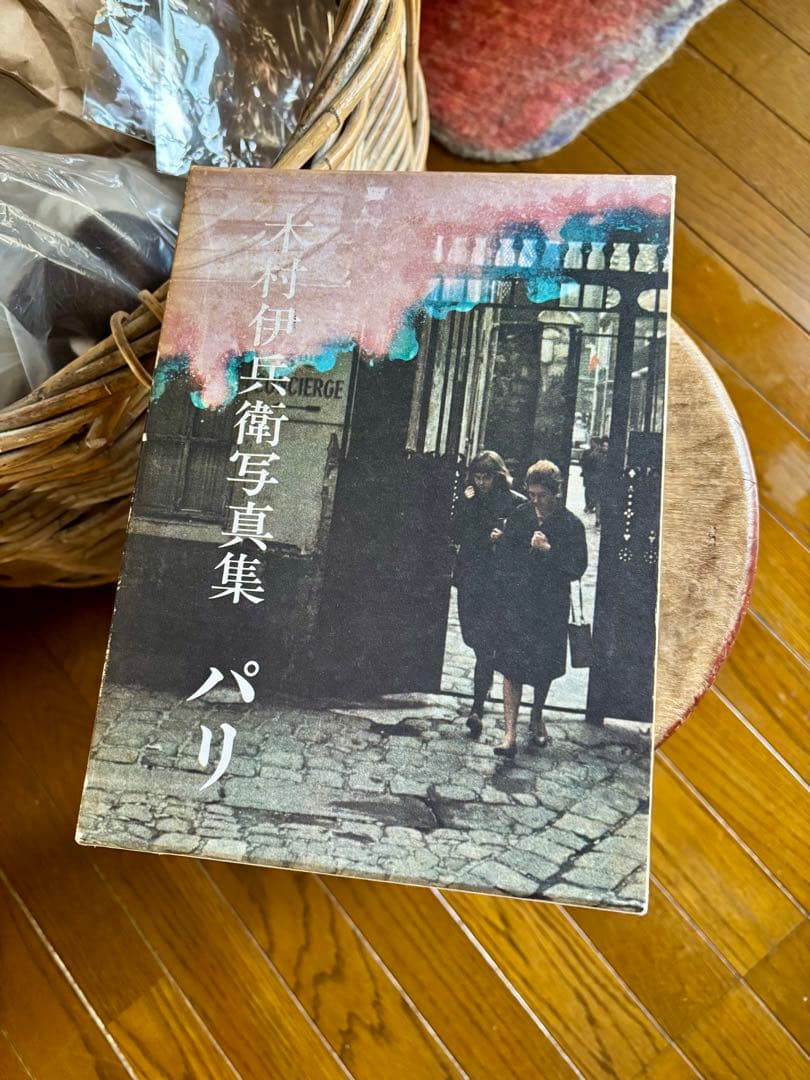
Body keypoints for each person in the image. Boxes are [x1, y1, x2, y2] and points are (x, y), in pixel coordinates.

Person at [491, 460, 588, 757]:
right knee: (511, 666)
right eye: (531, 494)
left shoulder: (571, 525)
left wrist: (549, 551)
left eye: (542, 495)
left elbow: (577, 568)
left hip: (549, 607)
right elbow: (504, 556)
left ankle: (536, 716)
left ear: (556, 493)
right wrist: (506, 546)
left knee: (543, 667)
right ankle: (509, 734)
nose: (536, 501)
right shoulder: (520, 516)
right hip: (518, 603)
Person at [452, 451, 525, 737]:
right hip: (470, 578)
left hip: (496, 582)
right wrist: (466, 504)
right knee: (472, 637)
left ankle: (477, 707)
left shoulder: (514, 503)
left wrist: (503, 538)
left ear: (498, 477)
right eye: (477, 477)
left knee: (484, 646)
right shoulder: (469, 499)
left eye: (487, 477)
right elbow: (456, 532)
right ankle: (484, 685)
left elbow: (520, 542)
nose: (481, 482)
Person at [580, 436, 608, 523]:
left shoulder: (609, 457)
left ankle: (599, 517)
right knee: (597, 499)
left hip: (604, 481)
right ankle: (597, 518)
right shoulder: (595, 454)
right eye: (604, 446)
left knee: (601, 500)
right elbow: (587, 463)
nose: (605, 448)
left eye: (607, 446)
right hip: (596, 480)